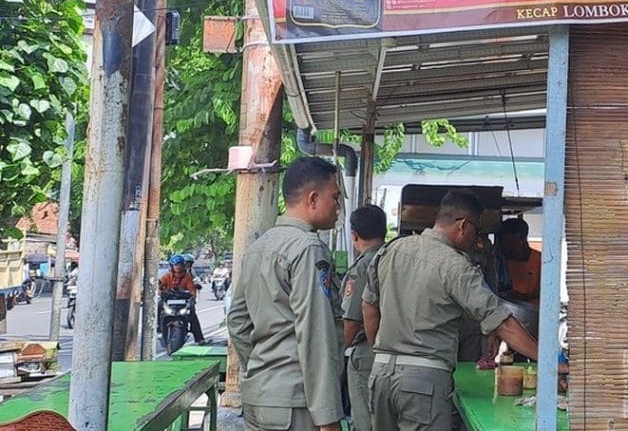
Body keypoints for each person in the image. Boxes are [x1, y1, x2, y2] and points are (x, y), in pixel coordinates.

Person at [362, 190, 550, 431]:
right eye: (476, 230)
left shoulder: (390, 251)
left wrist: (380, 352)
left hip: (380, 376)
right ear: (463, 225)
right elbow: (501, 321)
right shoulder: (455, 265)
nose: (476, 238)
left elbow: (368, 307)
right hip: (423, 380)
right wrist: (546, 360)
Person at [227, 157, 345, 431]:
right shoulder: (308, 249)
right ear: (313, 199)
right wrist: (328, 417)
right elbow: (316, 333)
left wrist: (262, 368)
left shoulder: (259, 246)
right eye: (335, 197)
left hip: (260, 396)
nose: (338, 207)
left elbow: (237, 321)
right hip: (295, 403)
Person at [340, 204, 387, 431]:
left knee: (365, 420)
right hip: (394, 348)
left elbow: (351, 322)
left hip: (367, 352)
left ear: (354, 234)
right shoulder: (394, 260)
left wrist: (334, 356)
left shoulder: (362, 267)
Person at [158, 254, 205, 343]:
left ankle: (199, 338)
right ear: (172, 266)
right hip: (169, 300)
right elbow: (160, 285)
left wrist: (192, 295)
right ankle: (158, 327)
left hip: (183, 301)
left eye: (180, 265)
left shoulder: (188, 277)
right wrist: (159, 290)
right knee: (159, 305)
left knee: (192, 313)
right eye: (176, 265)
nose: (178, 267)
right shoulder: (167, 276)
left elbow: (192, 289)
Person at [498, 218, 541, 303]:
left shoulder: (541, 260)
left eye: (507, 241)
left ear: (520, 237)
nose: (504, 245)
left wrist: (520, 297)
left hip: (533, 312)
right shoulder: (500, 261)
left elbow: (549, 291)